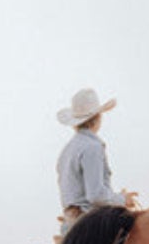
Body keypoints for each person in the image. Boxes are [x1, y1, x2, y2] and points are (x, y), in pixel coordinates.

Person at [55, 88, 136, 236]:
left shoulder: (67, 150)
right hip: (89, 225)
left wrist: (116, 197)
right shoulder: (92, 147)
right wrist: (122, 199)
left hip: (70, 224)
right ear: (98, 117)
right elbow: (96, 195)